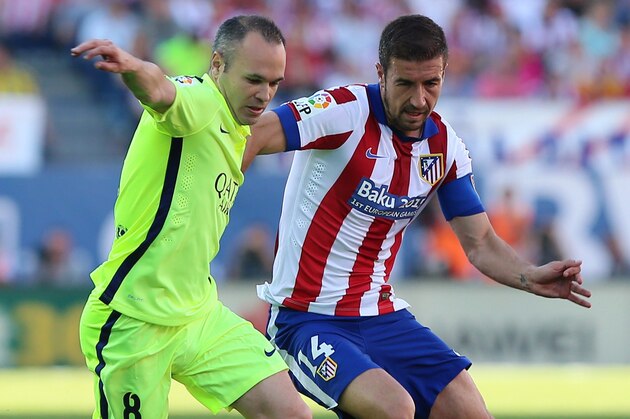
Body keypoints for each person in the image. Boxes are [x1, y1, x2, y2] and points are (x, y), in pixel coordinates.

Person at [243, 14, 592, 419]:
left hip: (381, 315)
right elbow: (256, 135)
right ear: (381, 73)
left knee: (470, 411)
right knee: (394, 409)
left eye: (432, 84)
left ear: (444, 74)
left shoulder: (445, 148)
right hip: (306, 319)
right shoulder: (343, 111)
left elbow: (479, 243)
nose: (419, 100)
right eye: (406, 83)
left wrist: (529, 276)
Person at [71, 15, 311, 419]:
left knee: (290, 412)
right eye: (254, 79)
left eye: (274, 84)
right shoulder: (200, 101)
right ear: (217, 65)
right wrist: (134, 70)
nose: (264, 94)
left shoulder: (239, 126)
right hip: (134, 319)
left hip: (198, 312)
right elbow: (163, 91)